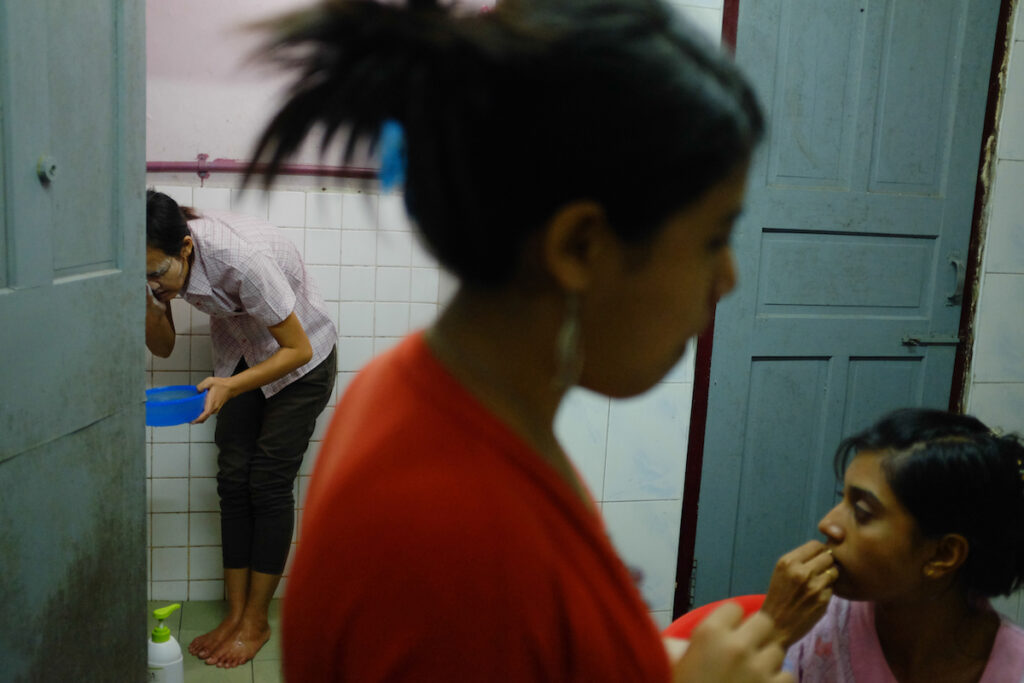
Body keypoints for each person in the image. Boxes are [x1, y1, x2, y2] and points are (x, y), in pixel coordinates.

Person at [246, 0, 798, 680]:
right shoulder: (454, 537)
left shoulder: (425, 388)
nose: (730, 278)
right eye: (714, 238)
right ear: (581, 245)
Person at [145, 190, 338, 668]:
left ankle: (255, 622)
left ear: (185, 249)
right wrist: (151, 297)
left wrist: (230, 388)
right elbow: (163, 348)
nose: (152, 281)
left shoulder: (239, 259)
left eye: (156, 273)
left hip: (301, 362)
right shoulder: (155, 261)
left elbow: (297, 350)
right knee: (233, 481)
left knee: (268, 483)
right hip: (242, 355)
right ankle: (234, 616)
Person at [783, 408, 1024, 682]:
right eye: (843, 498)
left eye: (862, 511)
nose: (827, 523)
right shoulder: (815, 621)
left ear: (943, 555)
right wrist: (775, 629)